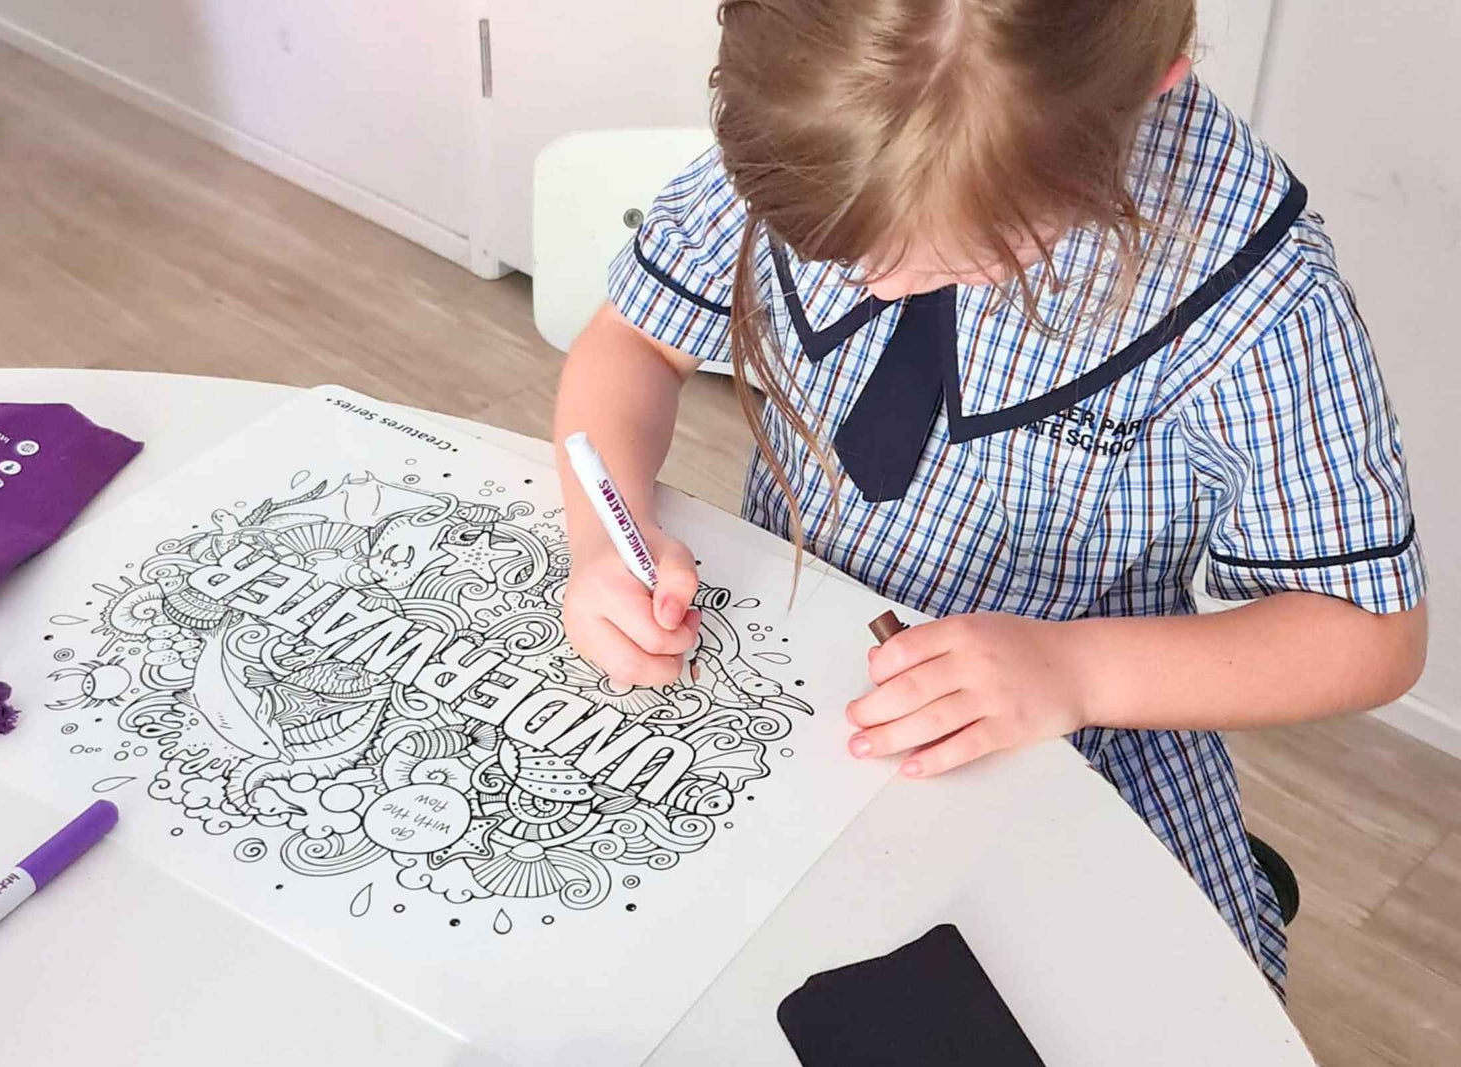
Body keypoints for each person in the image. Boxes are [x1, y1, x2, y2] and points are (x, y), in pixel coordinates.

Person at [551, 0, 1428, 998]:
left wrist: (1070, 670)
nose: (877, 287)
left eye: (950, 259)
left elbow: (1368, 634)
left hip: (1070, 743)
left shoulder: (1256, 299)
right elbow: (632, 344)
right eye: (841, 256)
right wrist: (604, 538)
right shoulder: (840, 111)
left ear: (1147, 98)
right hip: (791, 699)